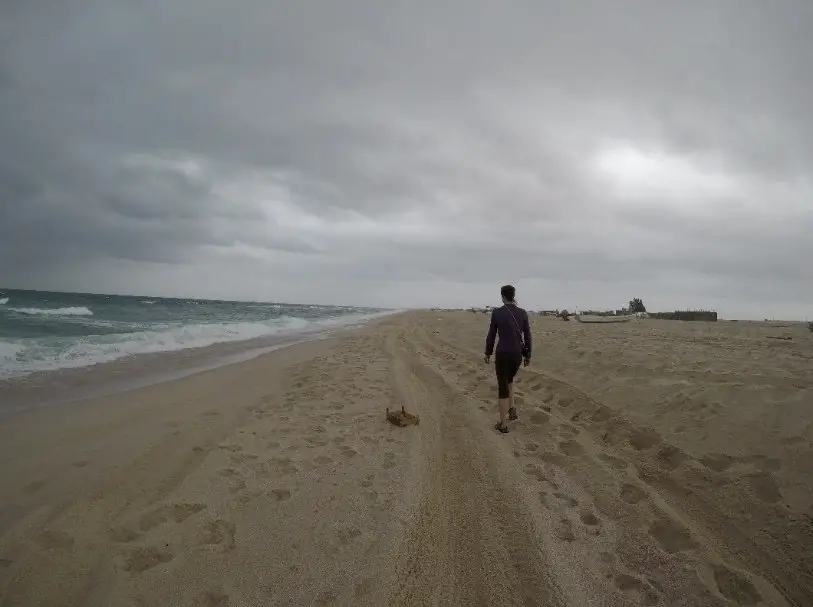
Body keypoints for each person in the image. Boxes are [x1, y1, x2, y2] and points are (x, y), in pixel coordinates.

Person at [484, 285, 532, 433]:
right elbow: (528, 336)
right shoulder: (522, 313)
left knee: (503, 387)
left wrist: (487, 352)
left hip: (503, 353)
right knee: (509, 380)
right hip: (517, 355)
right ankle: (512, 410)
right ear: (513, 295)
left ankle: (502, 424)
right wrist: (528, 355)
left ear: (502, 296)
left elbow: (491, 335)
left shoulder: (497, 313)